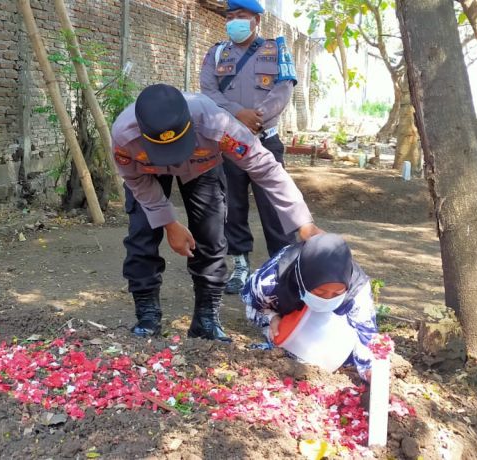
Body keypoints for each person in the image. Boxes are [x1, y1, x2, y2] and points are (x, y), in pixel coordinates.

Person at [114, 83, 323, 342]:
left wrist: (302, 221)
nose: (173, 160)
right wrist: (169, 223)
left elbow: (265, 168)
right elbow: (135, 181)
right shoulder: (125, 136)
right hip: (148, 175)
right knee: (141, 235)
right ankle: (147, 318)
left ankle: (206, 319)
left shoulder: (219, 125)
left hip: (202, 169)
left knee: (211, 237)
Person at [200, 0, 298, 295]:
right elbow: (208, 91)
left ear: (256, 19)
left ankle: (281, 270)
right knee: (233, 205)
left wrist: (257, 117)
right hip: (229, 142)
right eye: (230, 17)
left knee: (275, 206)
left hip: (265, 139)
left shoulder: (277, 49)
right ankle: (240, 267)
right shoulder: (217, 53)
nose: (233, 22)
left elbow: (283, 89)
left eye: (240, 16)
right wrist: (237, 114)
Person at [241, 233, 378, 379]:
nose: (327, 298)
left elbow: (366, 333)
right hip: (289, 313)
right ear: (302, 280)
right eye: (320, 292)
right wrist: (271, 317)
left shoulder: (357, 289)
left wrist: (369, 370)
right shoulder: (270, 281)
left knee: (350, 358)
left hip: (335, 322)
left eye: (337, 293)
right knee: (292, 356)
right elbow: (250, 303)